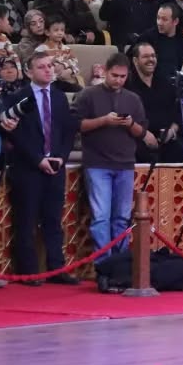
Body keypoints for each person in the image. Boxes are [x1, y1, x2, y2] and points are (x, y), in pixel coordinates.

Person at [1, 51, 80, 281]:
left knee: (53, 220)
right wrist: (37, 159)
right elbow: (15, 135)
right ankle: (29, 271)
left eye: (50, 66)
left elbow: (68, 130)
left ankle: (56, 268)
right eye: (42, 67)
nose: (48, 70)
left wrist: (61, 157)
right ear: (29, 72)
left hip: (55, 166)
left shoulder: (59, 97)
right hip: (28, 167)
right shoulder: (17, 97)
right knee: (26, 220)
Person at [73, 54, 146, 272]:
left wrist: (129, 123)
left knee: (122, 218)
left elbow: (141, 131)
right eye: (115, 75)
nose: (118, 80)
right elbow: (76, 125)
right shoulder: (88, 95)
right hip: (97, 164)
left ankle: (120, 265)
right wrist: (104, 120)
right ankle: (103, 267)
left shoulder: (133, 99)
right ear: (105, 71)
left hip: (125, 164)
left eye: (123, 77)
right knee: (101, 218)